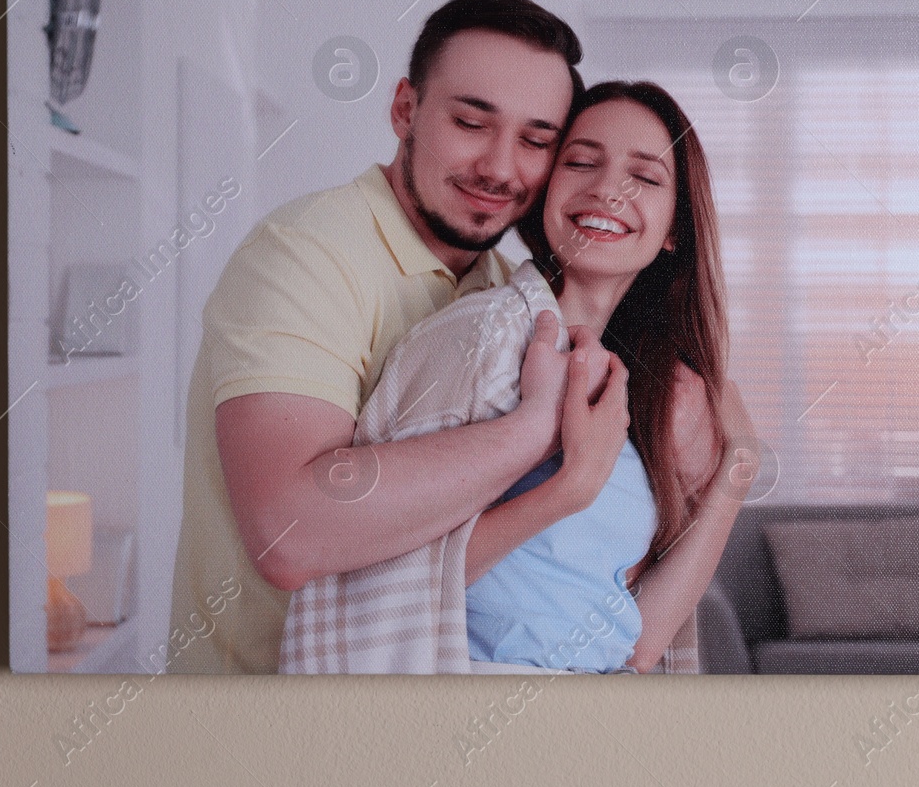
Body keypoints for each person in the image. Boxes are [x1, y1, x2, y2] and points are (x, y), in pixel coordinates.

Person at [168, 0, 628, 673]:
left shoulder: (511, 292)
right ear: (405, 109)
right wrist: (532, 431)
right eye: (472, 121)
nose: (502, 168)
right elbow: (289, 533)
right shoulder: (306, 254)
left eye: (536, 140)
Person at [279, 81, 758, 674]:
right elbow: (381, 587)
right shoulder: (485, 339)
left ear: (673, 232)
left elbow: (639, 643)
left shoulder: (635, 392)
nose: (608, 188)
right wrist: (568, 487)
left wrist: (739, 468)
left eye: (647, 177)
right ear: (544, 194)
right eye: (581, 162)